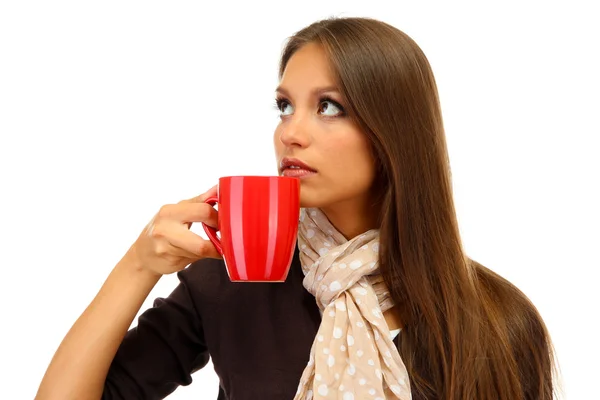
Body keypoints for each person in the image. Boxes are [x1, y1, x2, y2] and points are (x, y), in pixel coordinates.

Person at [35, 16, 557, 400]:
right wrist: (138, 267)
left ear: (394, 132)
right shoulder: (231, 285)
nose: (291, 132)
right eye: (285, 106)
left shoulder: (497, 321)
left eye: (328, 106)